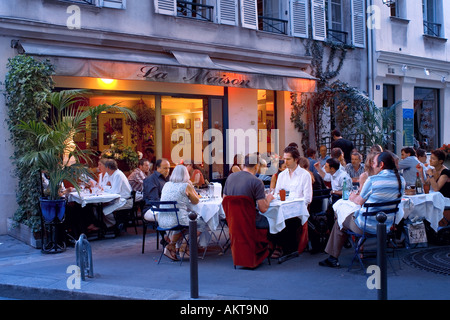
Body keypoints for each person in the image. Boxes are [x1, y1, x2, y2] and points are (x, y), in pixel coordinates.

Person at [319, 151, 405, 268]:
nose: (372, 165)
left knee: (340, 217)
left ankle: (333, 257)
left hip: (366, 226)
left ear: (382, 165)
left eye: (374, 163)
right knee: (343, 219)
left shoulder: (372, 180)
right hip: (386, 226)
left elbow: (359, 201)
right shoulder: (401, 181)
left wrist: (351, 196)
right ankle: (345, 251)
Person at [159, 165, 207, 261]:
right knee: (201, 222)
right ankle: (182, 246)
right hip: (177, 220)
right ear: (186, 174)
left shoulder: (167, 184)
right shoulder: (185, 185)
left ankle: (175, 247)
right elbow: (196, 201)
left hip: (162, 220)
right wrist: (191, 187)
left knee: (183, 222)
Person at [102, 159, 133, 229]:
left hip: (125, 201)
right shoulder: (112, 174)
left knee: (104, 211)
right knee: (100, 208)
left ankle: (113, 225)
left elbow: (115, 191)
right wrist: (109, 187)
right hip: (119, 199)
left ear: (107, 168)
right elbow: (105, 187)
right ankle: (109, 225)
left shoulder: (118, 175)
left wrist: (108, 188)